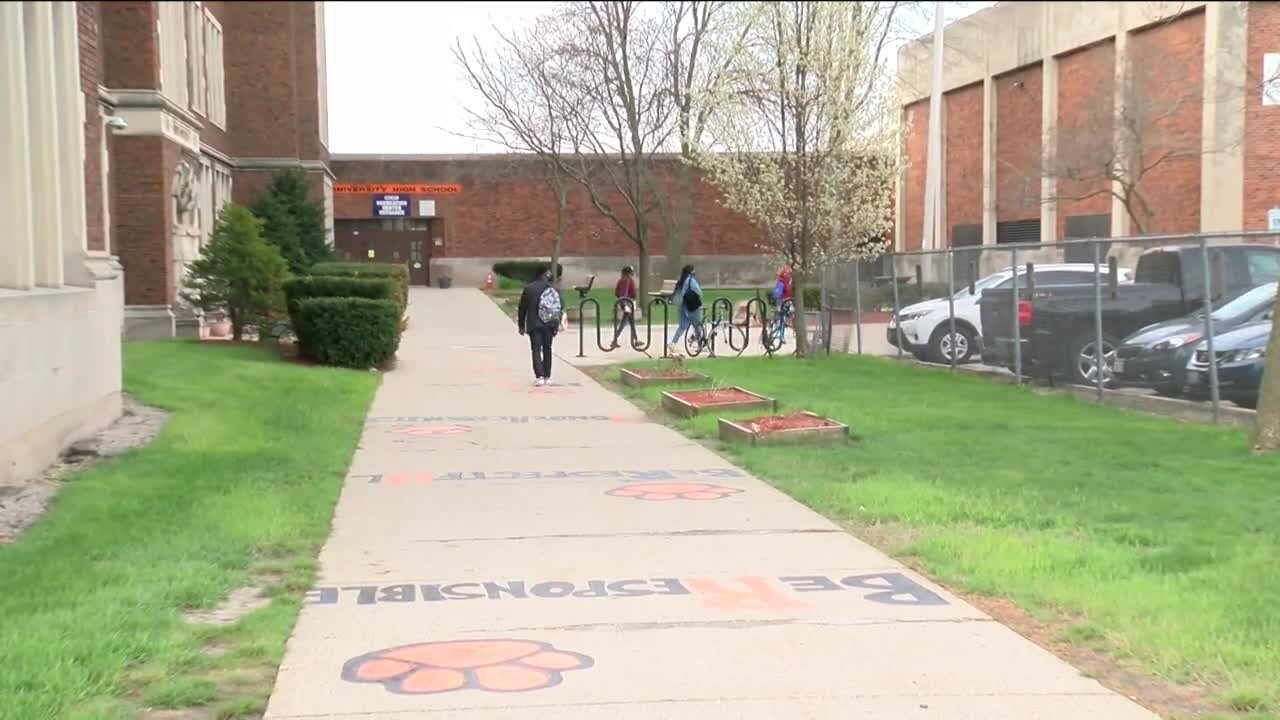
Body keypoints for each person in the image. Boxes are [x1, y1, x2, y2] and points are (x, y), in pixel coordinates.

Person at [517, 269, 562, 386]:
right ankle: (548, 376)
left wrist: (521, 325)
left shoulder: (529, 289)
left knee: (536, 349)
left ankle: (539, 376)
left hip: (534, 324)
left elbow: (522, 309)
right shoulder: (553, 289)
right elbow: (557, 308)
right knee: (548, 349)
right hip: (549, 324)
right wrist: (556, 325)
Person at [669, 264, 704, 350]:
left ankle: (673, 343)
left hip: (682, 306)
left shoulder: (681, 281)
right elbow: (699, 293)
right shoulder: (691, 280)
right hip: (692, 306)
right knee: (697, 325)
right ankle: (700, 345)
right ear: (691, 271)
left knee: (682, 326)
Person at [610, 265, 638, 349]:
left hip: (626, 302)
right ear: (629, 273)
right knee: (624, 323)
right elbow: (624, 293)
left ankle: (636, 340)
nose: (633, 273)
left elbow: (617, 293)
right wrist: (625, 304)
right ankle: (614, 340)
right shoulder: (627, 280)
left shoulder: (622, 280)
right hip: (627, 303)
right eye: (632, 272)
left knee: (631, 322)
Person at [772, 265, 794, 344]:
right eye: (787, 272)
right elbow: (779, 293)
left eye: (789, 273)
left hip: (787, 300)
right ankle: (780, 335)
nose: (788, 274)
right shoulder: (781, 281)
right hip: (782, 301)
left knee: (786, 317)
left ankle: (782, 334)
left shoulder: (789, 280)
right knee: (782, 318)